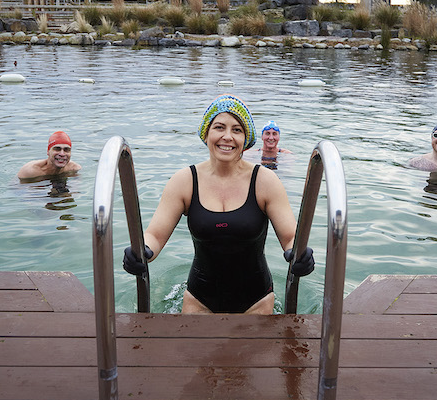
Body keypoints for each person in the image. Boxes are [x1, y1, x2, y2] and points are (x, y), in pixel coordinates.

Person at [123, 95, 315, 314]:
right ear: (206, 133)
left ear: (246, 139)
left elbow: (290, 237)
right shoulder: (185, 180)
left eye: (237, 130)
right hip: (199, 300)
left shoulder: (265, 181)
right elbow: (155, 235)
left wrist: (300, 254)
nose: (227, 137)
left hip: (257, 301)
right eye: (219, 127)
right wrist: (140, 251)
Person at [17, 131, 82, 181]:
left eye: (66, 150)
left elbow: (75, 191)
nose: (62, 154)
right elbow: (17, 190)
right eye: (57, 149)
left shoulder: (74, 168)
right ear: (48, 151)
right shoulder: (30, 171)